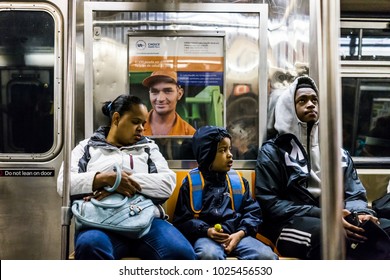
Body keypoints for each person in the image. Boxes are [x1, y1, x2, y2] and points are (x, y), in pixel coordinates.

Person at [255, 75, 390, 259]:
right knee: (330, 237)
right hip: (289, 223)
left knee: (382, 228)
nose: (311, 104)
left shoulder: (337, 153)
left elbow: (355, 194)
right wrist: (325, 214)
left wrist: (361, 213)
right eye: (302, 100)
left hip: (338, 216)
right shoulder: (273, 152)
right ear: (289, 108)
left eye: (314, 100)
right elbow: (271, 204)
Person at [57, 94, 196, 260]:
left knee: (181, 253)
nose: (141, 129)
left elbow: (166, 183)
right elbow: (64, 184)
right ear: (116, 118)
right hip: (100, 222)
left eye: (143, 124)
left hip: (148, 221)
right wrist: (105, 178)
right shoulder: (86, 148)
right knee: (90, 246)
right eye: (135, 122)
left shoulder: (148, 148)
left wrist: (120, 183)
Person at [173, 125, 278, 260]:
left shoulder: (238, 182)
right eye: (222, 150)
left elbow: (252, 213)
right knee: (208, 255)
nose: (230, 154)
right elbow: (182, 220)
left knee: (266, 256)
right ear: (207, 155)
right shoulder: (192, 184)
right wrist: (206, 230)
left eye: (229, 149)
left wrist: (241, 233)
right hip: (206, 237)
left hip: (238, 234)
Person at [142, 69, 196, 136]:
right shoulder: (134, 128)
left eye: (167, 91)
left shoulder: (190, 134)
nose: (160, 99)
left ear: (179, 94)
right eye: (154, 92)